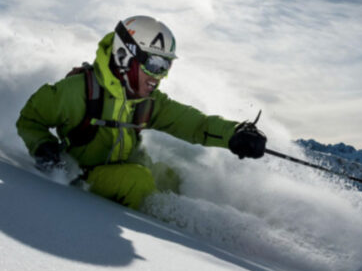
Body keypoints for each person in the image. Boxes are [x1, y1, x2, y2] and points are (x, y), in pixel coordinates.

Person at [16, 15, 266, 209]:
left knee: (171, 178)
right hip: (82, 175)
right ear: (125, 56)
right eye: (155, 65)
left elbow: (193, 124)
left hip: (125, 167)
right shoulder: (78, 91)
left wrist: (233, 133)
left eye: (166, 66)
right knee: (137, 181)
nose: (160, 76)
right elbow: (30, 119)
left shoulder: (147, 101)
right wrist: (43, 147)